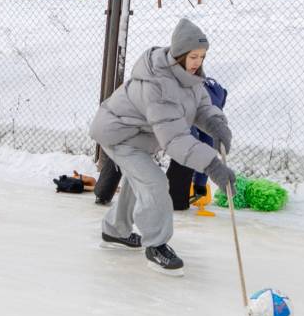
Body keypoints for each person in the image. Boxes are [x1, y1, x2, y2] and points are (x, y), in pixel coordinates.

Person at [89, 18, 235, 276]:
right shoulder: (159, 83)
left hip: (140, 136)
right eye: (193, 56)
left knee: (140, 181)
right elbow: (175, 138)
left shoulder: (190, 78)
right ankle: (156, 245)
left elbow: (201, 107)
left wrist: (215, 124)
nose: (198, 63)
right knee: (154, 182)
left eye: (202, 56)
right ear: (179, 54)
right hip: (119, 134)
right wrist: (212, 164)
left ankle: (115, 231)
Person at [167, 76, 228, 209]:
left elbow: (207, 144)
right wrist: (200, 186)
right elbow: (207, 143)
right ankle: (173, 199)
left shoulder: (213, 101)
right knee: (187, 145)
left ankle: (174, 198)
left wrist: (200, 185)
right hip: (177, 106)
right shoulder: (211, 101)